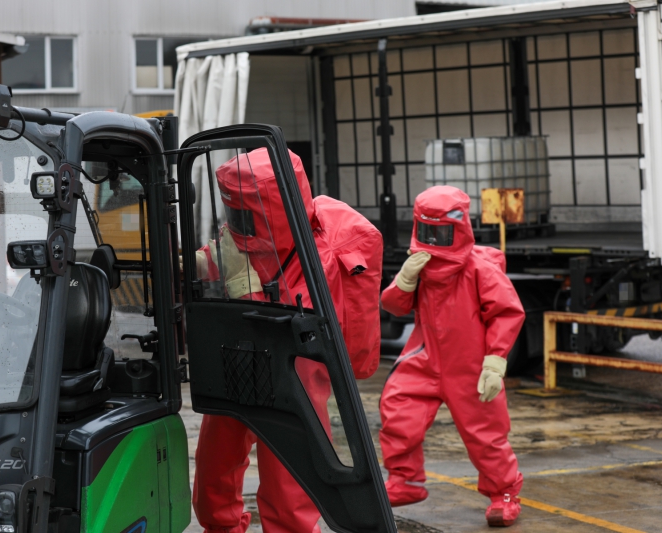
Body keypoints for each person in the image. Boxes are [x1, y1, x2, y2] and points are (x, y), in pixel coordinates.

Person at [192, 148, 382, 533]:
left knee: (289, 484)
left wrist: (242, 286)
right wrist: (193, 264)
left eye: (245, 217)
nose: (237, 225)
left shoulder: (322, 256)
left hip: (294, 378)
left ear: (273, 209)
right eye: (234, 215)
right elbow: (223, 259)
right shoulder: (246, 239)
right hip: (237, 361)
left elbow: (287, 323)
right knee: (214, 470)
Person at [379, 185, 525, 527]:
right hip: (424, 356)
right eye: (427, 230)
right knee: (398, 412)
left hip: (471, 366)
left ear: (459, 228)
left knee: (486, 435)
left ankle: (504, 494)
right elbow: (392, 306)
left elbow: (507, 312)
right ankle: (406, 480)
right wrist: (404, 280)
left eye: (441, 232)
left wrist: (494, 361)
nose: (433, 239)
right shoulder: (420, 266)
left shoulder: (479, 269)